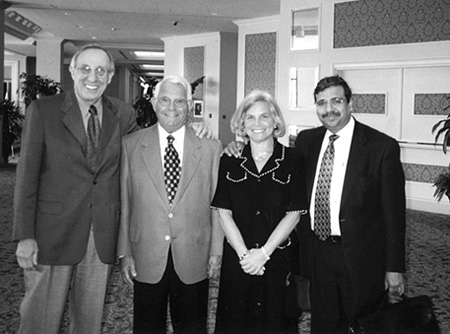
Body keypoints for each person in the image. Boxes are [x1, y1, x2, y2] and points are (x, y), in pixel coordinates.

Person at [12, 44, 140, 334]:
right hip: (50, 234)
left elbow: (142, 155)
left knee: (88, 323)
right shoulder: (43, 110)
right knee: (39, 321)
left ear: (109, 76)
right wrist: (25, 236)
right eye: (85, 69)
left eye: (100, 71)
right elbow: (26, 177)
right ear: (72, 71)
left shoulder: (123, 114)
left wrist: (192, 135)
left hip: (100, 235)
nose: (92, 77)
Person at [294, 75, 406, 333]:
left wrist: (394, 268)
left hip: (361, 257)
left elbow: (394, 216)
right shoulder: (306, 141)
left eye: (336, 101)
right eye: (321, 103)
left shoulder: (381, 147)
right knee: (324, 324)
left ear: (350, 103)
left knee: (364, 324)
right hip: (318, 253)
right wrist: (237, 147)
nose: (329, 109)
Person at [118, 75, 223, 334]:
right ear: (154, 103)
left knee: (191, 328)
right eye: (165, 100)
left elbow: (217, 205)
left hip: (194, 254)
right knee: (147, 327)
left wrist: (216, 251)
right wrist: (125, 251)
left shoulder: (211, 147)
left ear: (189, 105)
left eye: (179, 101)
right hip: (146, 254)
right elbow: (126, 202)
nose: (172, 108)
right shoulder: (131, 145)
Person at [211, 90, 305, 334]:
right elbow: (223, 211)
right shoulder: (229, 159)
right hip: (239, 260)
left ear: (275, 121)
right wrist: (245, 257)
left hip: (276, 258)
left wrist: (263, 254)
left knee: (276, 324)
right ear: (241, 123)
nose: (257, 124)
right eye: (250, 118)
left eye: (264, 117)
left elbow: (294, 213)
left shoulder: (293, 159)